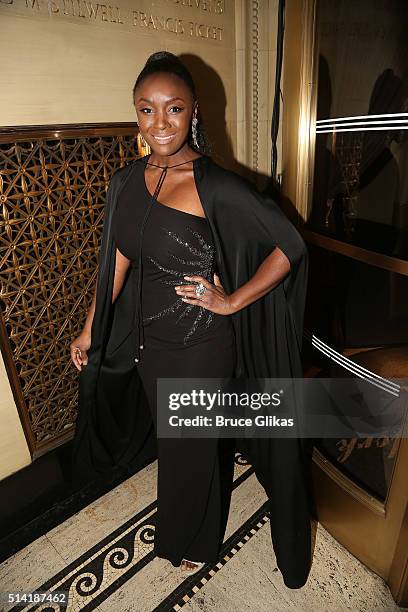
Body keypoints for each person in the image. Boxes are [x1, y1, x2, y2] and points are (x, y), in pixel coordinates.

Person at [70, 51, 313, 588]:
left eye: (174, 109)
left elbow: (289, 245)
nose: (160, 124)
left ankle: (191, 540)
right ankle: (189, 524)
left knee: (192, 452)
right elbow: (116, 262)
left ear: (193, 111)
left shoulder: (216, 185)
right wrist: (92, 326)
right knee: (180, 446)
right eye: (147, 110)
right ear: (135, 114)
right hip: (151, 346)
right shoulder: (127, 183)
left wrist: (231, 301)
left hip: (202, 345)